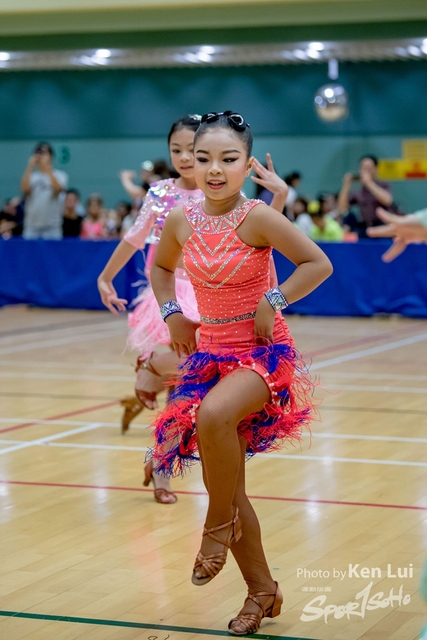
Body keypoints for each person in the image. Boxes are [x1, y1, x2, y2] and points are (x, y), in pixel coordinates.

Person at [148, 111, 332, 634]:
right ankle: (262, 592)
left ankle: (215, 528)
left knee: (212, 415)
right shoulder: (181, 219)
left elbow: (318, 264)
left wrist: (274, 300)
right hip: (209, 354)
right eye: (203, 158)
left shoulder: (258, 217)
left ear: (246, 165)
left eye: (228, 159)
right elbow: (161, 268)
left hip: (261, 355)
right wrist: (172, 312)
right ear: (188, 161)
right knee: (230, 487)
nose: (214, 169)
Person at [97, 114, 290, 504]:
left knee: (192, 393)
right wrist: (105, 277)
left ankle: (157, 425)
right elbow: (135, 238)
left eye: (193, 151)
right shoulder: (163, 195)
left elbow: (261, 244)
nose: (186, 158)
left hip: (220, 298)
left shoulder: (227, 193)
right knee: (186, 384)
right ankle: (161, 456)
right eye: (178, 151)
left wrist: (280, 198)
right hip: (174, 296)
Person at [21, 142, 68, 239]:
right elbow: (24, 189)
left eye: (44, 153)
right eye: (38, 152)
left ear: (51, 156)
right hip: (31, 227)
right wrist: (30, 166)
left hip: (52, 227)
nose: (40, 156)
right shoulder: (32, 176)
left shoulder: (60, 175)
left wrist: (48, 168)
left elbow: (58, 189)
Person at [338, 155, 392, 233]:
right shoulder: (359, 190)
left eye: (368, 168)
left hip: (382, 227)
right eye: (363, 168)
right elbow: (342, 207)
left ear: (376, 169)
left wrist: (369, 183)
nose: (365, 171)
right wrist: (346, 185)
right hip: (365, 228)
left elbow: (387, 200)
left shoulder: (383, 184)